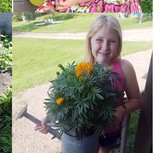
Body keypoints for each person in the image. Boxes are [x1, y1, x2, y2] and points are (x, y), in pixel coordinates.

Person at [35, 14, 141, 153]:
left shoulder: (125, 67)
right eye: (99, 40)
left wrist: (121, 110)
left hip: (109, 130)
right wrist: (49, 118)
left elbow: (137, 100)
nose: (105, 47)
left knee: (104, 150)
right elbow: (67, 102)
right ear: (90, 41)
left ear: (119, 43)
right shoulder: (81, 70)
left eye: (111, 41)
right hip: (84, 131)